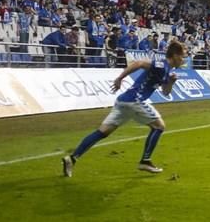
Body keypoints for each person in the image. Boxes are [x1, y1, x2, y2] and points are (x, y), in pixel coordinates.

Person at [61, 41, 187, 177]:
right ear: (175, 55)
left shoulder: (167, 70)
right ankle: (145, 160)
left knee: (102, 132)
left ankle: (72, 158)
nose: (183, 60)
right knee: (159, 126)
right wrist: (120, 78)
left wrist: (171, 82)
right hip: (135, 100)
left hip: (123, 102)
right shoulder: (161, 65)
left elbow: (165, 92)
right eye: (182, 56)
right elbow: (138, 63)